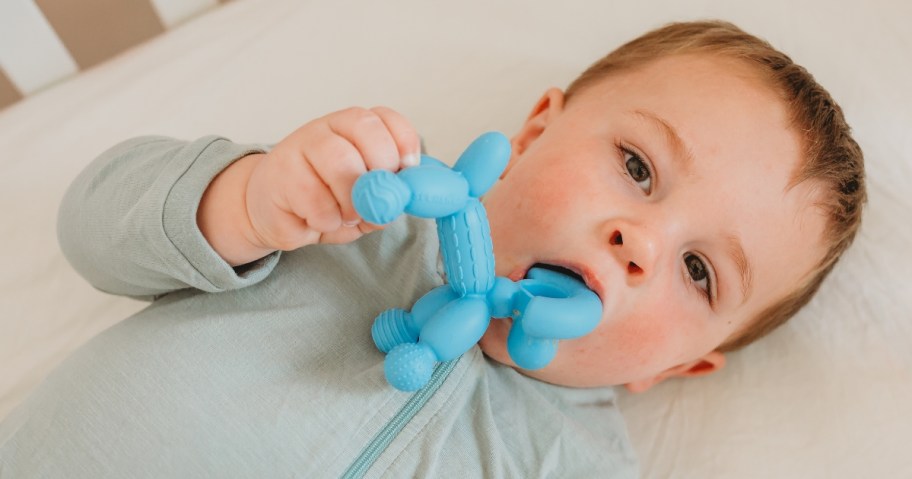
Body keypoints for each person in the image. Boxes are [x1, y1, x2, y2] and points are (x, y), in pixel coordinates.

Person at [0, 20, 864, 477]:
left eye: (698, 270)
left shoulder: (574, 467)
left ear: (675, 368)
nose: (638, 242)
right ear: (534, 131)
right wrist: (248, 201)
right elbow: (91, 225)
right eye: (637, 166)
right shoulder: (347, 208)